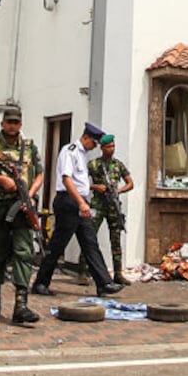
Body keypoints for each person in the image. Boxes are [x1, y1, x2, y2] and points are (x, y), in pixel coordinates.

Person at [31, 122, 123, 297]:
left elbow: (81, 182)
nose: (95, 146)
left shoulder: (83, 154)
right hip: (69, 202)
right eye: (94, 142)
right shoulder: (70, 151)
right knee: (58, 244)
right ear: (86, 137)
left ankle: (104, 283)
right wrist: (81, 202)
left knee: (90, 243)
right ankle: (41, 282)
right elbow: (67, 179)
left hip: (80, 202)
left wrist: (86, 198)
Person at [0, 105, 44, 324]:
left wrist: (30, 196)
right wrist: (0, 180)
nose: (13, 126)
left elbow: (40, 174)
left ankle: (21, 305)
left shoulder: (29, 147)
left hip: (22, 207)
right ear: (3, 124)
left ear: (20, 125)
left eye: (16, 123)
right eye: (9, 122)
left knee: (24, 252)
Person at [84, 134, 133, 284]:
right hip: (98, 205)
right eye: (108, 147)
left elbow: (130, 183)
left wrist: (119, 191)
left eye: (113, 146)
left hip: (113, 206)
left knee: (116, 240)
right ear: (102, 148)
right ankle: (83, 271)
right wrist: (95, 187)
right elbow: (80, 181)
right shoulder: (93, 165)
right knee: (89, 236)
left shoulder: (118, 165)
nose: (111, 149)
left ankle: (118, 273)